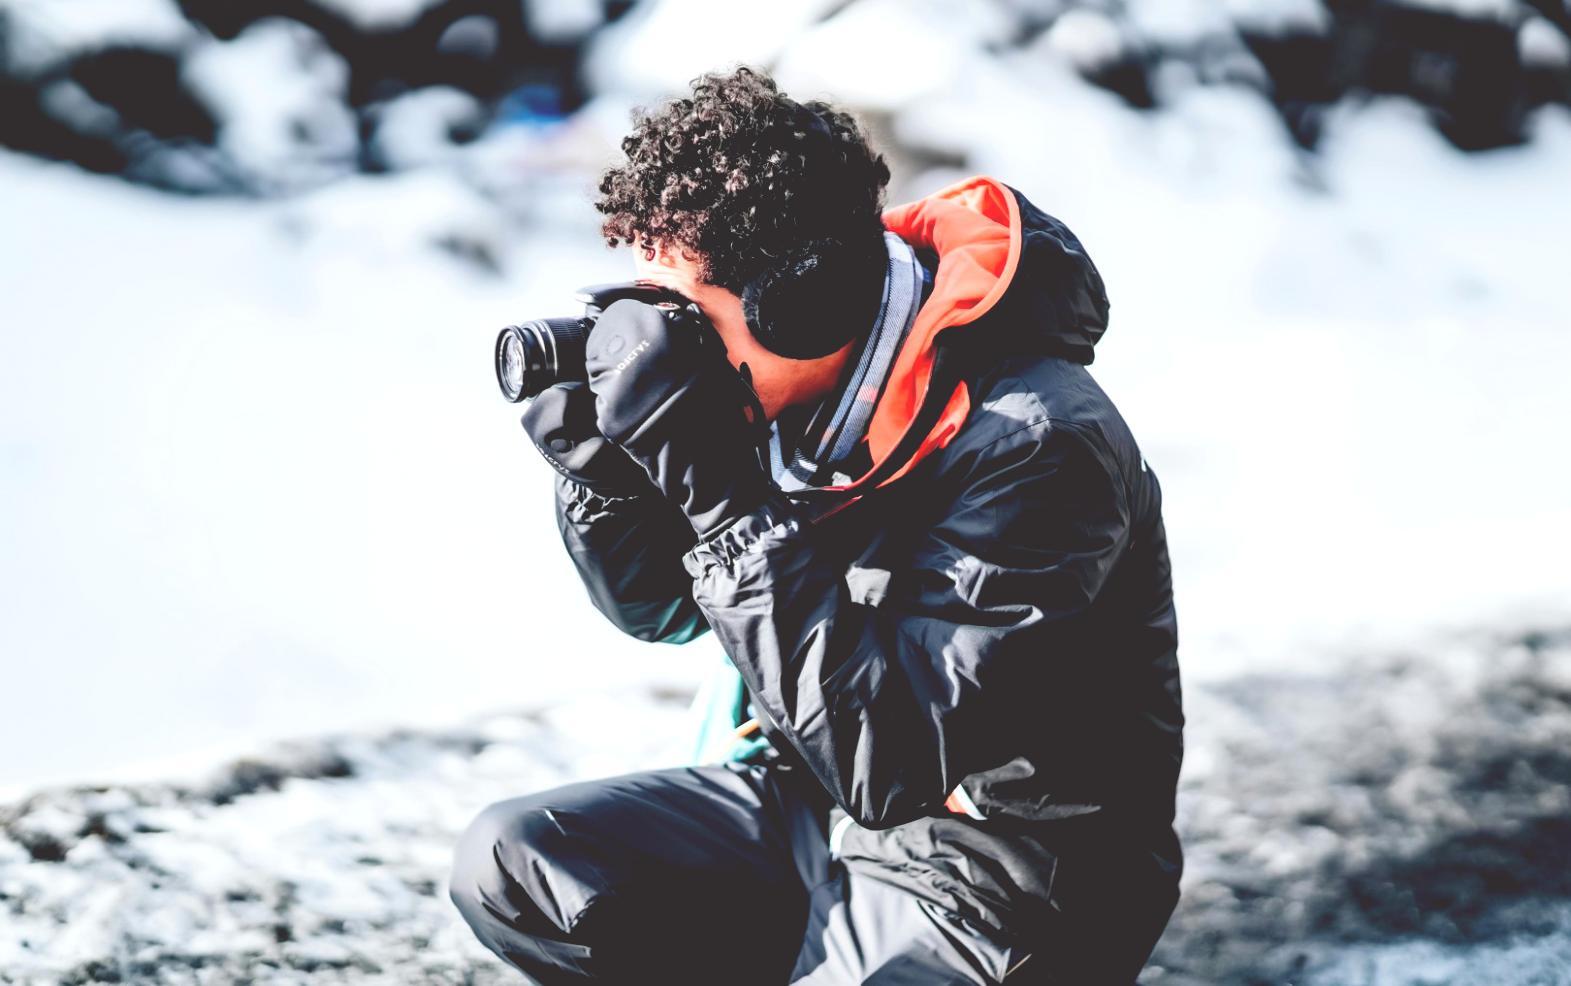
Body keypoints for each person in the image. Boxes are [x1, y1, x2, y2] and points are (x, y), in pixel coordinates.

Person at [449, 66, 1184, 984]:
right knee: (519, 862)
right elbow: (664, 613)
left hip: (998, 868)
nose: (665, 344)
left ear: (807, 305)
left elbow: (891, 765)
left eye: (691, 317)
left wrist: (722, 497)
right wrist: (605, 480)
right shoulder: (783, 398)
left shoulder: (1036, 441)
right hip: (807, 803)